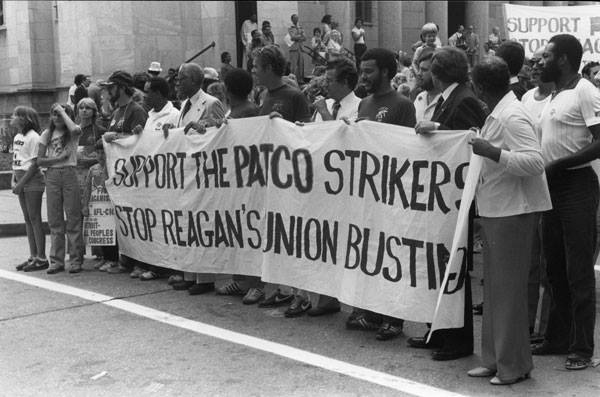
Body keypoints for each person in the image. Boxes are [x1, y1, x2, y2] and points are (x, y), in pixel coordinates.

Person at [467, 56, 551, 385]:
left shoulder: (513, 114)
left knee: (509, 292)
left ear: (480, 87)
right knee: (497, 290)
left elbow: (535, 161)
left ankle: (513, 365)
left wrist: (492, 152)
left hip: (513, 212)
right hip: (498, 210)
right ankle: (495, 358)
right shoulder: (502, 110)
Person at [412, 46, 487, 361]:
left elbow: (473, 137)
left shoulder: (465, 99)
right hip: (442, 197)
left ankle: (458, 340)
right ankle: (437, 332)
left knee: (453, 265)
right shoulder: (448, 99)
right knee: (438, 264)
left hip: (456, 198)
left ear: (438, 72)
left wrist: (438, 129)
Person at [532, 34, 600, 371]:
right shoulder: (554, 95)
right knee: (554, 268)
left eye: (546, 56)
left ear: (562, 60)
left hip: (576, 187)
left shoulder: (584, 91)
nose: (540, 61)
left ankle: (582, 348)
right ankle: (558, 338)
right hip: (551, 189)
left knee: (579, 270)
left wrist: (561, 163)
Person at [345, 48, 416, 340]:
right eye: (362, 70)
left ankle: (394, 318)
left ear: (386, 72)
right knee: (371, 252)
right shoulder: (363, 104)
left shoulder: (403, 105)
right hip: (368, 193)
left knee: (392, 254)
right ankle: (372, 312)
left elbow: (409, 150)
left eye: (370, 71)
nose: (364, 76)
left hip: (392, 193)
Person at [243, 45, 311, 308]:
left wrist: (284, 124)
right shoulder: (264, 96)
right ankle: (284, 288)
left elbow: (306, 132)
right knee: (276, 234)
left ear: (269, 68)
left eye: (256, 66)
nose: (253, 71)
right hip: (271, 177)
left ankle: (301, 294)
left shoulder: (294, 96)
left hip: (291, 179)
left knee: (294, 234)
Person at [163, 62, 225, 294]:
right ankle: (190, 274)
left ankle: (205, 278)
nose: (178, 83)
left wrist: (204, 126)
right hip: (185, 173)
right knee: (187, 225)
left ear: (194, 81)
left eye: (182, 78)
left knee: (202, 226)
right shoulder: (182, 107)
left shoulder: (211, 103)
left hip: (205, 174)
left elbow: (221, 131)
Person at [521, 48, 555, 343]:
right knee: (529, 260)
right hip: (527, 187)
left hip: (555, 186)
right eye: (530, 62)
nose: (533, 67)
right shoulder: (525, 98)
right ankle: (527, 322)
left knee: (548, 263)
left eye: (539, 62)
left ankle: (544, 327)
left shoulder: (563, 98)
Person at [37, 104, 84, 274]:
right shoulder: (47, 134)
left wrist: (64, 111)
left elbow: (77, 130)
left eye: (60, 115)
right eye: (54, 114)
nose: (56, 117)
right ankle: (56, 260)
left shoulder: (71, 133)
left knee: (73, 217)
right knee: (54, 218)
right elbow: (40, 161)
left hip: (70, 173)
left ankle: (75, 259)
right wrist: (58, 159)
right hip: (53, 175)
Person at [11, 106, 48, 272]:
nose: (12, 117)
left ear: (24, 118)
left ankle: (41, 257)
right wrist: (14, 179)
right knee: (27, 219)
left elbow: (35, 163)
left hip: (32, 181)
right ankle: (33, 256)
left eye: (15, 115)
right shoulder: (18, 136)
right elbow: (17, 159)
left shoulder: (34, 137)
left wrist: (21, 183)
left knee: (35, 218)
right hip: (20, 179)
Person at [81, 145, 119, 273]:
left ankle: (112, 259)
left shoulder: (112, 168)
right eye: (98, 153)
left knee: (110, 233)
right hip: (97, 205)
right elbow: (87, 189)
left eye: (103, 152)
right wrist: (85, 205)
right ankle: (104, 256)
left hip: (109, 207)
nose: (100, 155)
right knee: (101, 233)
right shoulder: (93, 169)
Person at [413, 49, 441, 123]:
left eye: (424, 70)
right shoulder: (419, 97)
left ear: (436, 72)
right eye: (419, 69)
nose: (419, 73)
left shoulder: (447, 100)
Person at [288, 14, 306, 81]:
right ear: (292, 20)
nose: (296, 19)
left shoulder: (300, 27)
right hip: (294, 49)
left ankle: (300, 79)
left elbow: (305, 38)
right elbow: (292, 37)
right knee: (293, 66)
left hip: (300, 48)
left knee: (301, 64)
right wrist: (300, 35)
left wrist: (298, 36)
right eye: (295, 18)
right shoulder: (290, 28)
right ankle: (292, 80)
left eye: (297, 18)